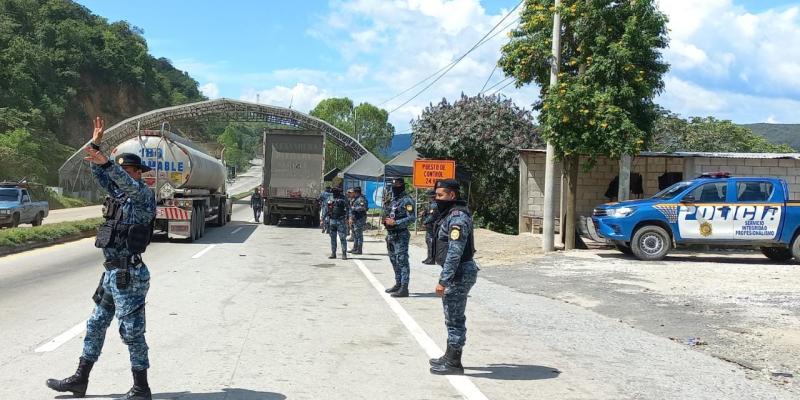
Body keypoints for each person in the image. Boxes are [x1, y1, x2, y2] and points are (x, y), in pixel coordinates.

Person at [47, 117, 156, 399]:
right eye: (123, 170)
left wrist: (108, 162)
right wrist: (96, 146)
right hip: (111, 274)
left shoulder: (143, 195)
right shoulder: (119, 197)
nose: (124, 174)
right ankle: (80, 380)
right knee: (96, 323)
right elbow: (101, 175)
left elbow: (115, 176)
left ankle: (141, 388)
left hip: (129, 275)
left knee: (131, 332)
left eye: (129, 170)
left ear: (138, 173)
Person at [428, 179, 478, 375]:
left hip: (459, 273)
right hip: (458, 272)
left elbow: (454, 253)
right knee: (451, 317)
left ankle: (454, 363)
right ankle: (449, 356)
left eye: (440, 195)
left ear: (452, 195)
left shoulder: (457, 218)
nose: (437, 199)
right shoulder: (449, 214)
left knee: (455, 319)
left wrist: (443, 281)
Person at [382, 177, 415, 297]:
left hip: (401, 234)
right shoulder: (393, 200)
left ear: (402, 185)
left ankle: (404, 288)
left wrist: (396, 223)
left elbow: (412, 218)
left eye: (396, 185)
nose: (394, 187)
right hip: (390, 234)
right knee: (393, 260)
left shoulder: (407, 200)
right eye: (393, 185)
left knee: (402, 260)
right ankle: (398, 283)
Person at [326, 186, 350, 259]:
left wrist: (348, 218)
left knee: (342, 237)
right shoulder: (330, 198)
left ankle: (344, 253)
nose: (334, 193)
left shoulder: (343, 198)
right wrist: (324, 219)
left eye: (336, 191)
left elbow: (348, 209)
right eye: (333, 192)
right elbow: (327, 208)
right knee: (332, 238)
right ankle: (333, 253)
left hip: (341, 220)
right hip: (332, 220)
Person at [349, 186, 368, 254]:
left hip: (360, 218)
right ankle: (355, 248)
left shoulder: (361, 199)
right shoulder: (355, 199)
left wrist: (354, 208)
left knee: (359, 235)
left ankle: (359, 250)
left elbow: (364, 208)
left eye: (353, 192)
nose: (352, 193)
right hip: (355, 218)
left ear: (356, 192)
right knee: (355, 234)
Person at [422, 189, 438, 265]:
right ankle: (429, 257)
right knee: (428, 241)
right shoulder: (431, 204)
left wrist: (425, 222)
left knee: (431, 241)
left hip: (432, 226)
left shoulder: (434, 205)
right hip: (430, 226)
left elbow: (432, 216)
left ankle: (431, 259)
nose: (428, 198)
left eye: (429, 197)